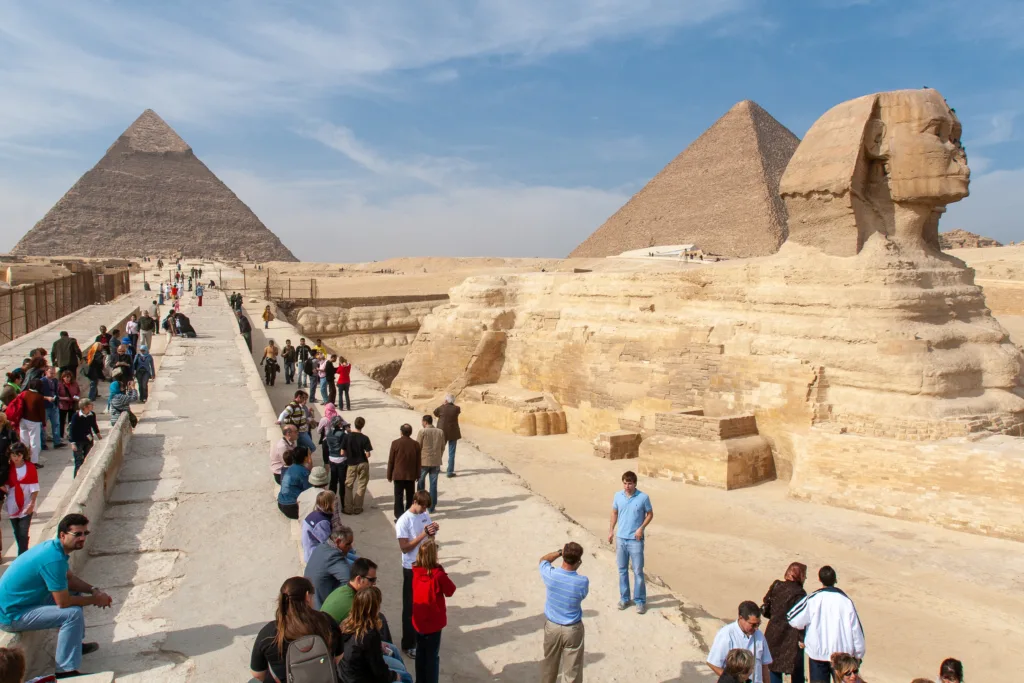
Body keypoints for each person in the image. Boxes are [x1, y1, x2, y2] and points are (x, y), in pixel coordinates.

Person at [0, 513, 113, 678]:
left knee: (75, 593)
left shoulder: (54, 549)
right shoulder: (53, 559)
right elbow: (63, 602)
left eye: (85, 534)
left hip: (24, 602)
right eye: (77, 534)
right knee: (71, 614)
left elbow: (70, 580)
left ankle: (75, 645)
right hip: (12, 615)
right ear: (62, 535)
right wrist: (95, 599)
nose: (82, 538)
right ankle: (66, 671)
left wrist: (93, 589)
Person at [249, 576, 342, 683]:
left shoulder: (269, 633)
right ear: (307, 596)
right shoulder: (327, 621)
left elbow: (257, 674)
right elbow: (338, 658)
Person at [786, 566, 865, 683]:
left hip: (819, 655)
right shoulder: (846, 601)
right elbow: (856, 630)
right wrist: (858, 654)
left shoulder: (813, 599)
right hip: (841, 657)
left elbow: (793, 618)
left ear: (820, 580)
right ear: (835, 580)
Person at [539, 542, 589, 683]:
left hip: (552, 627)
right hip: (572, 629)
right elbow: (582, 595)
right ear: (578, 561)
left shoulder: (551, 575)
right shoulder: (582, 581)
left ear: (563, 557)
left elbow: (543, 560)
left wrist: (559, 552)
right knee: (572, 671)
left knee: (549, 666)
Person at [339, 587, 411, 683]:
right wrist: (394, 676)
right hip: (361, 678)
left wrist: (378, 646)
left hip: (350, 674)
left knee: (393, 651)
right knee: (405, 677)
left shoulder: (346, 624)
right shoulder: (369, 634)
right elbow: (378, 671)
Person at [396, 490, 437, 656]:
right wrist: (423, 534)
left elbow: (430, 539)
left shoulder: (424, 515)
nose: (424, 510)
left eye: (426, 507)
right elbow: (405, 548)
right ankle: (408, 644)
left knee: (425, 604)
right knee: (410, 607)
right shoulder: (403, 521)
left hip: (425, 565)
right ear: (414, 501)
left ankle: (420, 636)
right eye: (422, 506)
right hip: (411, 568)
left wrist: (432, 532)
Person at [608, 470, 653, 614]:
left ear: (635, 484)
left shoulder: (643, 497)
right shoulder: (617, 496)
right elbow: (614, 513)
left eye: (630, 483)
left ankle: (639, 601)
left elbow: (650, 514)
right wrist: (611, 530)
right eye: (625, 483)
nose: (627, 486)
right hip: (621, 538)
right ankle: (625, 598)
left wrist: (641, 528)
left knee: (638, 571)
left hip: (635, 539)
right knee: (622, 570)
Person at [411, 540, 456, 683]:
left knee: (420, 654)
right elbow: (450, 590)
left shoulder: (416, 572)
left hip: (418, 620)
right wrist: (440, 570)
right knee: (432, 657)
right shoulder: (437, 575)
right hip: (433, 622)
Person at [763, 562, 808, 683]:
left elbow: (766, 607)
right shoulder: (800, 593)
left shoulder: (777, 585)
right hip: (791, 637)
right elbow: (801, 618)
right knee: (796, 670)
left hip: (773, 632)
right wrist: (802, 638)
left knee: (774, 668)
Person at [708, 601, 773, 683]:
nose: (756, 628)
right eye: (753, 624)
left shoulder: (759, 635)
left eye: (758, 624)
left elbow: (764, 665)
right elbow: (713, 663)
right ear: (741, 618)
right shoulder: (726, 634)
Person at [304, 520, 358, 608]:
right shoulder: (333, 557)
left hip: (310, 599)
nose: (350, 547)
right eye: (348, 544)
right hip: (321, 607)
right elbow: (350, 581)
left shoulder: (322, 547)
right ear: (337, 542)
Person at [5, 444, 37, 556]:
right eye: (13, 455)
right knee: (17, 532)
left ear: (23, 455)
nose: (16, 458)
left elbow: (34, 487)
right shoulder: (8, 469)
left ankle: (22, 556)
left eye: (18, 455)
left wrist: (32, 504)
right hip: (12, 504)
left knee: (23, 532)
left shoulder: (30, 467)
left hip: (26, 504)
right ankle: (24, 553)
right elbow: (6, 485)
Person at [387, 424, 421, 521]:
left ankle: (399, 517)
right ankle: (409, 516)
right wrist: (418, 475)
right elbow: (418, 462)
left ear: (401, 432)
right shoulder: (415, 444)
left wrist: (389, 475)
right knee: (410, 497)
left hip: (398, 475)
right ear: (410, 432)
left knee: (398, 497)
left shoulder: (395, 443)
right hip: (410, 476)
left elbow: (391, 461)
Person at [342, 416, 373, 515]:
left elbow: (342, 452)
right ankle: (357, 507)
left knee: (348, 485)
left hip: (351, 464)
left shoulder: (347, 436)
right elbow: (368, 454)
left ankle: (348, 508)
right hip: (363, 463)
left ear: (354, 424)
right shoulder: (365, 438)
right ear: (363, 425)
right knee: (362, 485)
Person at [416, 415, 444, 513]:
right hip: (436, 462)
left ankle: (420, 504)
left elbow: (417, 446)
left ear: (425, 422)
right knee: (433, 485)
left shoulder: (422, 432)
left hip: (424, 461)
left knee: (420, 484)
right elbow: (442, 447)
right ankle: (431, 507)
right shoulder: (440, 432)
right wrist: (438, 456)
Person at [68, 399, 100, 478]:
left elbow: (94, 426)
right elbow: (72, 430)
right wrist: (73, 443)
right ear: (85, 407)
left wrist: (99, 437)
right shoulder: (76, 416)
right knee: (79, 462)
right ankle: (76, 479)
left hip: (88, 441)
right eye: (90, 405)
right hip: (78, 441)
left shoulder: (92, 414)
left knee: (88, 460)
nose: (92, 406)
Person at [300, 489, 335, 562]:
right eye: (334, 501)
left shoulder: (316, 514)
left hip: (311, 549)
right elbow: (327, 543)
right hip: (313, 555)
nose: (335, 503)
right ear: (329, 504)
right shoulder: (322, 521)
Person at [278, 447, 313, 519]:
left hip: (281, 502)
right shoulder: (304, 472)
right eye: (309, 455)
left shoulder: (290, 467)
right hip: (292, 507)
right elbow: (310, 491)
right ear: (306, 458)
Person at [278, 391, 316, 455]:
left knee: (301, 448)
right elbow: (284, 413)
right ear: (299, 397)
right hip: (301, 432)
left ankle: (301, 459)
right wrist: (279, 420)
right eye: (303, 398)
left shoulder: (301, 407)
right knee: (312, 447)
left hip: (304, 431)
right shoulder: (293, 406)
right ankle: (304, 459)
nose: (304, 400)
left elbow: (303, 418)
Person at [432, 394, 461, 478]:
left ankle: (437, 468)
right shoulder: (457, 408)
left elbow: (435, 412)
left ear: (446, 400)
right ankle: (450, 472)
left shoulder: (441, 408)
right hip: (453, 433)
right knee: (451, 453)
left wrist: (443, 404)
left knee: (439, 450)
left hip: (441, 432)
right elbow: (456, 412)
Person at [19, 379, 46, 466]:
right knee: (35, 443)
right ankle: (33, 462)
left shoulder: (24, 394)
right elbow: (41, 412)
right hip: (34, 422)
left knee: (24, 441)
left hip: (22, 420)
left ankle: (23, 460)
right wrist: (44, 423)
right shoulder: (38, 397)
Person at [324, 415, 350, 500]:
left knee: (333, 480)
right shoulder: (342, 434)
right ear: (339, 424)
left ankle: (331, 499)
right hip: (341, 459)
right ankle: (343, 502)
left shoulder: (328, 433)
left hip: (332, 458)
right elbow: (347, 445)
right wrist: (348, 431)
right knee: (342, 481)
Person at [40, 367, 64, 450]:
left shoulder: (55, 381)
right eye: (51, 373)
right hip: (45, 406)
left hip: (54, 405)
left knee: (56, 424)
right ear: (46, 372)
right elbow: (38, 395)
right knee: (43, 425)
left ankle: (57, 442)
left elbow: (56, 392)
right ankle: (43, 443)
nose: (53, 374)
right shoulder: (42, 381)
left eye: (54, 373)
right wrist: (47, 398)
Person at [55, 370, 80, 445]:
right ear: (62, 378)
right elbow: (56, 395)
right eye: (65, 377)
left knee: (72, 421)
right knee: (61, 421)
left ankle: (71, 435)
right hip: (62, 405)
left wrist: (76, 397)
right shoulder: (59, 385)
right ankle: (61, 436)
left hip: (72, 405)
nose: (67, 379)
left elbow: (78, 392)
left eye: (68, 377)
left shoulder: (74, 384)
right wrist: (64, 398)